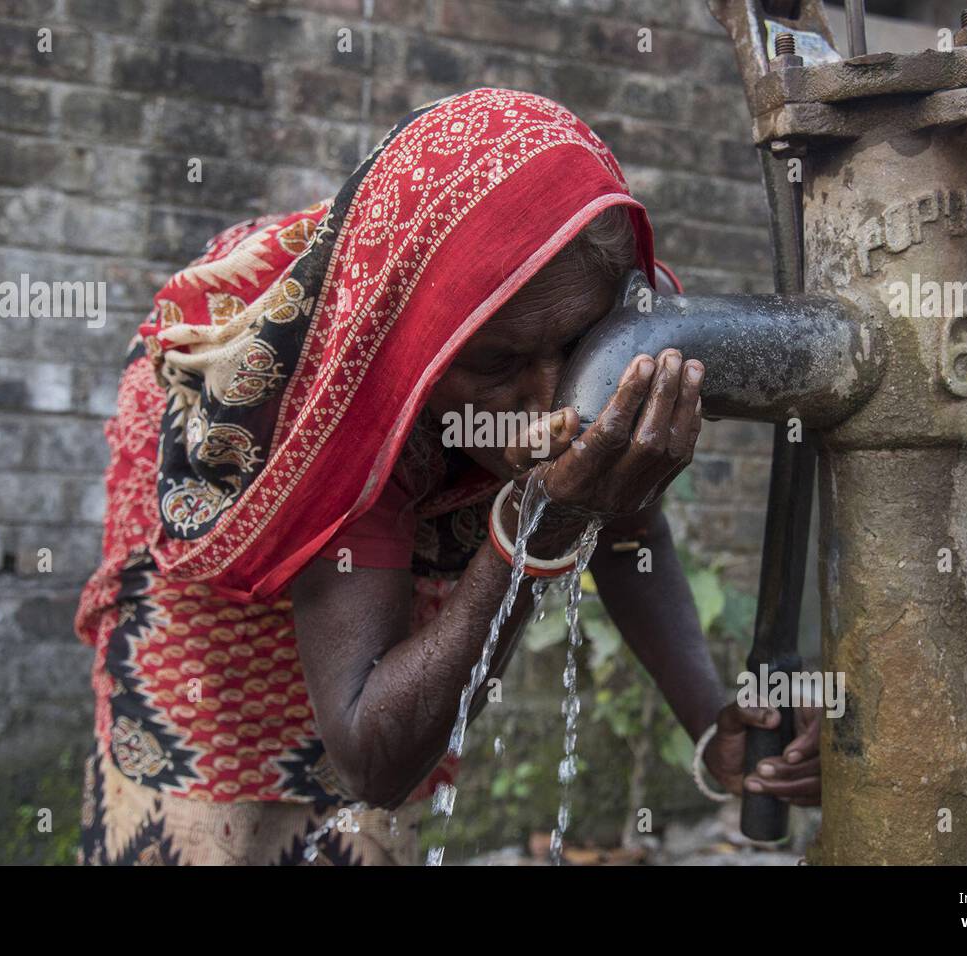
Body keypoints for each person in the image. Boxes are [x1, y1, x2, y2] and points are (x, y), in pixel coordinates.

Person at [74, 87, 820, 866]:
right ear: (421, 345)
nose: (546, 402)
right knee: (207, 828)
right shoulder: (340, 398)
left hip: (389, 539)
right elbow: (372, 757)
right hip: (229, 566)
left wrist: (711, 727)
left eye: (578, 347)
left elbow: (626, 524)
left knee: (357, 845)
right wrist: (538, 525)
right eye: (497, 363)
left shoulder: (617, 316)